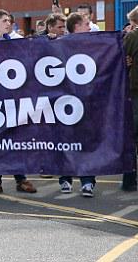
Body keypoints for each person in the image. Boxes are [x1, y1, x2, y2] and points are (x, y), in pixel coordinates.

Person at [0, 10, 37, 196]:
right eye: (4, 21)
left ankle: (21, 178)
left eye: (9, 20)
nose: (8, 23)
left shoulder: (13, 43)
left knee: (14, 139)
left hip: (10, 98)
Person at [57, 12, 97, 197]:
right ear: (76, 27)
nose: (90, 27)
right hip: (65, 101)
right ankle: (65, 179)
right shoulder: (60, 45)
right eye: (87, 24)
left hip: (87, 100)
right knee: (65, 141)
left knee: (86, 142)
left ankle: (88, 182)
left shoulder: (95, 45)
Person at [121, 4, 138, 192]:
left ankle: (129, 182)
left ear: (134, 22)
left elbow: (120, 56)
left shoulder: (132, 37)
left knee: (130, 138)